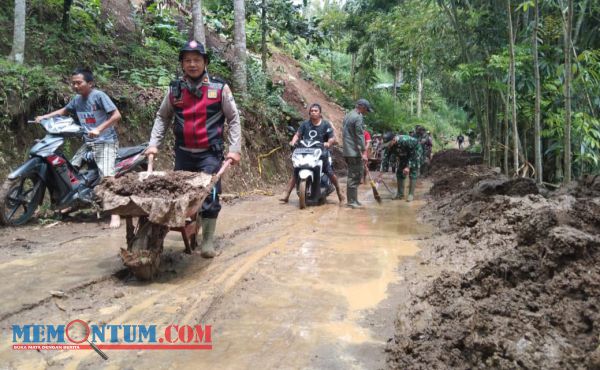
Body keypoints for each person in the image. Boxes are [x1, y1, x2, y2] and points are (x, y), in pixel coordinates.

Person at [145, 40, 242, 258]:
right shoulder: (175, 90)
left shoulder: (219, 88)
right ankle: (186, 226)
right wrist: (153, 144)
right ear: (181, 64)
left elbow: (233, 118)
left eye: (196, 60)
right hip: (183, 153)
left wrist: (235, 148)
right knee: (181, 196)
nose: (192, 64)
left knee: (210, 195)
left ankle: (207, 241)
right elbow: (163, 117)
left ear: (205, 62)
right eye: (187, 60)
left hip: (210, 153)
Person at [35, 67, 122, 228]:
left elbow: (116, 115)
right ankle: (73, 202)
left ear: (90, 83)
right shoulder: (77, 99)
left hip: (105, 142)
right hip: (88, 143)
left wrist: (99, 129)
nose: (75, 86)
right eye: (73, 83)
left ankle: (115, 213)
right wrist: (44, 117)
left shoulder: (99, 96)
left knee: (108, 177)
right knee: (69, 170)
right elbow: (64, 111)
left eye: (79, 83)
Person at [280, 103, 344, 203]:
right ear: (309, 112)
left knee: (329, 172)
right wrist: (293, 141)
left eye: (315, 111)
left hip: (321, 152)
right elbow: (297, 134)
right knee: (296, 171)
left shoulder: (325, 124)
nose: (313, 112)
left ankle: (339, 191)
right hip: (305, 152)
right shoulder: (305, 124)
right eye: (312, 111)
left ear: (320, 113)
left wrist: (328, 143)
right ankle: (287, 194)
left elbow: (332, 138)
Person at [342, 99, 372, 209]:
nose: (366, 112)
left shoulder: (348, 115)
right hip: (354, 151)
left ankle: (354, 200)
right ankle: (351, 201)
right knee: (354, 176)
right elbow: (360, 135)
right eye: (366, 110)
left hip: (347, 150)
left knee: (353, 175)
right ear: (362, 107)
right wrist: (364, 152)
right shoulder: (358, 117)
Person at [380, 134, 422, 202]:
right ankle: (400, 194)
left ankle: (411, 195)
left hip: (415, 151)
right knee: (399, 172)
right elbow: (385, 158)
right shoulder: (389, 146)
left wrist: (408, 167)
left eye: (388, 143)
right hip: (403, 154)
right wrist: (381, 173)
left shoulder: (406, 141)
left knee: (413, 171)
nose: (388, 145)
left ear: (394, 139)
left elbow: (414, 154)